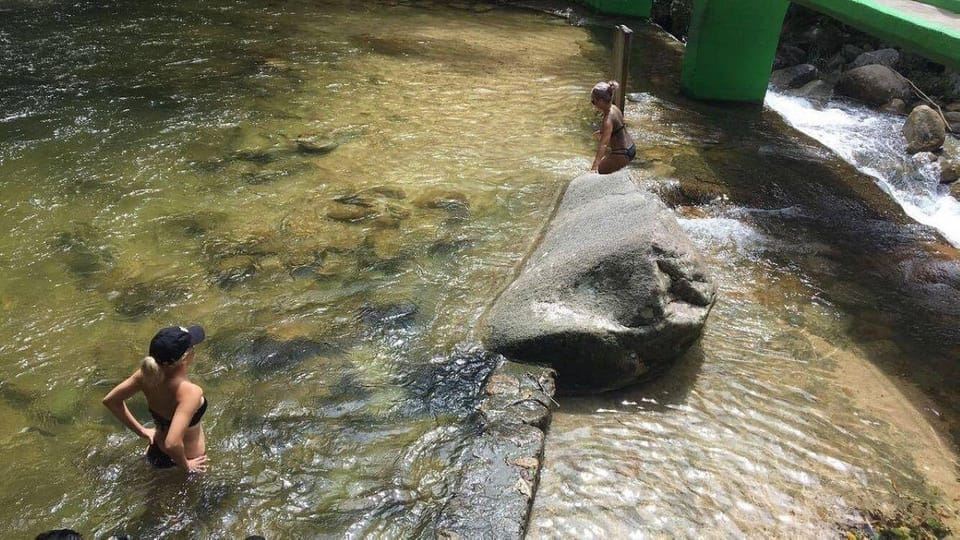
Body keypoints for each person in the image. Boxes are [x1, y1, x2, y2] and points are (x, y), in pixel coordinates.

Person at [103, 325, 209, 473]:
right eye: (192, 347)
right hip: (186, 459)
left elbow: (111, 401)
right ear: (185, 357)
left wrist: (142, 431)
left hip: (156, 451)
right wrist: (187, 466)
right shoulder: (190, 392)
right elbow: (172, 443)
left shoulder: (145, 376)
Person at [589, 80, 636, 174]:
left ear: (601, 101)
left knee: (599, 171)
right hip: (631, 148)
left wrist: (594, 166)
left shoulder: (607, 119)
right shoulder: (615, 108)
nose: (593, 104)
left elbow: (603, 145)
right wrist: (602, 132)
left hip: (622, 154)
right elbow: (618, 127)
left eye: (594, 101)